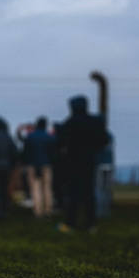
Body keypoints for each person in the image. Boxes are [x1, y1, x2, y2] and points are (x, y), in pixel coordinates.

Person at [55, 95, 110, 232]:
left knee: (73, 193)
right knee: (89, 193)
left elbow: (60, 142)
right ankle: (90, 224)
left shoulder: (70, 122)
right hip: (90, 161)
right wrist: (94, 149)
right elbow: (105, 139)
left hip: (73, 162)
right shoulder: (94, 122)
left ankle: (70, 223)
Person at [21, 116, 57, 218]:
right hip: (47, 165)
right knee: (47, 188)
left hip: (33, 165)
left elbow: (26, 152)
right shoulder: (49, 137)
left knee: (36, 189)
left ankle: (38, 211)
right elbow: (53, 153)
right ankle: (48, 210)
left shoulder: (31, 136)